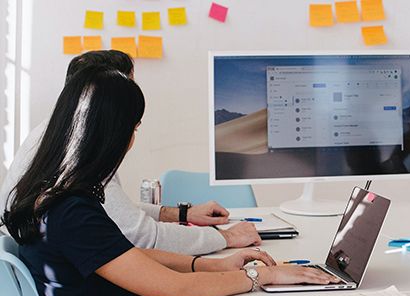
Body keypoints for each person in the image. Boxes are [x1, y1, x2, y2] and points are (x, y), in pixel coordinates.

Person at [2, 66, 333, 296]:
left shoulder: (51, 195)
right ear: (112, 134)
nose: (132, 140)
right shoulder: (72, 212)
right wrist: (261, 276)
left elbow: (127, 256)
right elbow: (178, 292)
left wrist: (210, 265)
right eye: (133, 128)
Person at [0, 50, 260, 256]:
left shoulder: (53, 136)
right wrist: (225, 238)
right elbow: (142, 237)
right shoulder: (79, 154)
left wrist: (181, 214)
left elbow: (112, 212)